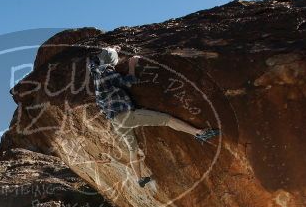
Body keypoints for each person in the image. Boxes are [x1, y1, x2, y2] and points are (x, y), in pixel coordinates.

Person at [88, 46, 219, 187]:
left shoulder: (94, 71)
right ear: (111, 61)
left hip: (115, 121)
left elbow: (93, 60)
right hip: (126, 115)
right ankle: (199, 133)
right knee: (167, 120)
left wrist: (113, 50)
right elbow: (129, 81)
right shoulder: (107, 72)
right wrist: (132, 65)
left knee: (132, 149)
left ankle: (139, 179)